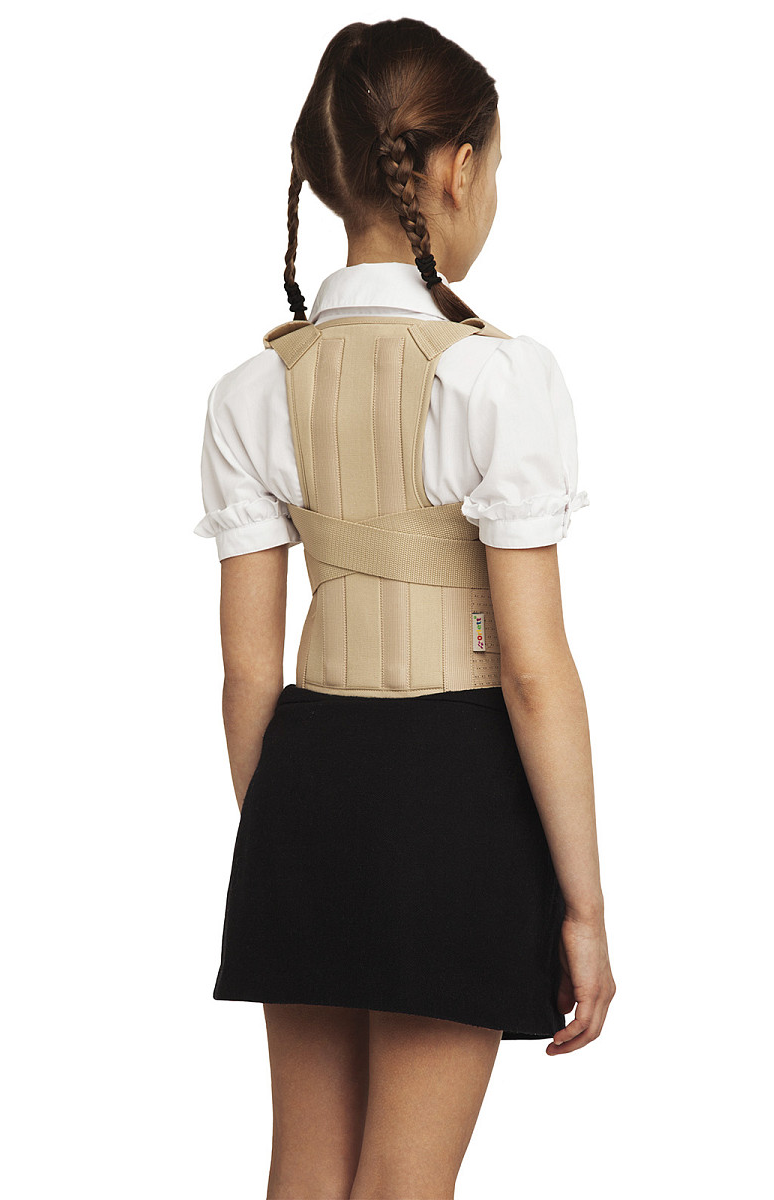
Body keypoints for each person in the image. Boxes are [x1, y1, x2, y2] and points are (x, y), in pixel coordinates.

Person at [194, 18, 615, 1199]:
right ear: (458, 168)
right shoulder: (499, 377)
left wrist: (293, 840)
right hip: (454, 790)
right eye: (498, 167)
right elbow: (533, 669)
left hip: (303, 783)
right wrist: (584, 907)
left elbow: (246, 674)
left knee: (306, 1175)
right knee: (405, 1183)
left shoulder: (252, 389)